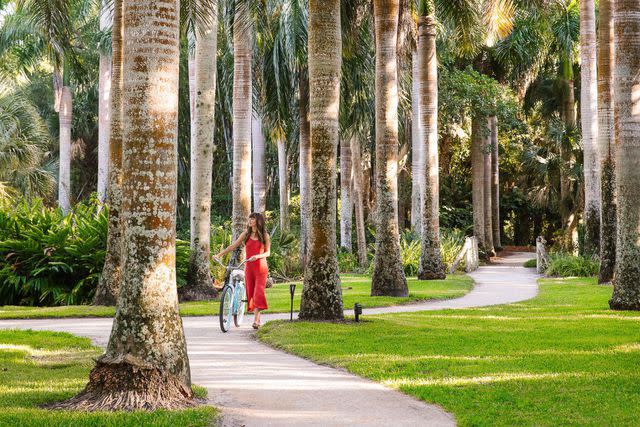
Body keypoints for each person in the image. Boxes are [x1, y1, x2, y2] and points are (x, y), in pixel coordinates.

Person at [215, 212, 270, 329]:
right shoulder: (246, 234)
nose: (250, 221)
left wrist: (258, 256)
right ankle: (256, 318)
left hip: (261, 267)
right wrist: (219, 255)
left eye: (253, 219)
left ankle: (256, 321)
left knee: (258, 293)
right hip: (249, 268)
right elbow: (233, 246)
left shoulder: (264, 235)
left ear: (258, 221)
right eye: (249, 219)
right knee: (251, 293)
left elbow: (268, 252)